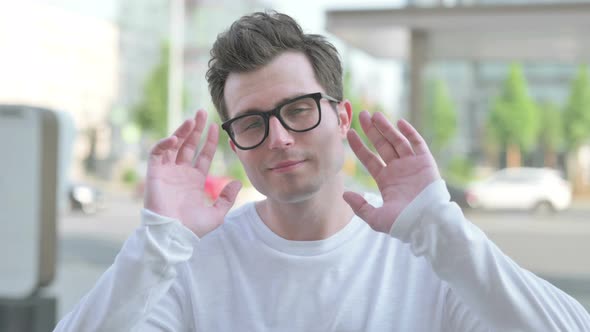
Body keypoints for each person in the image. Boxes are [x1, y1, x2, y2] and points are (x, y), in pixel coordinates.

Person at [54, 11, 590, 331]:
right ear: (235, 143)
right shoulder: (191, 261)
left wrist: (442, 229)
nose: (280, 137)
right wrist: (155, 246)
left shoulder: (429, 253)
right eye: (251, 122)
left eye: (298, 109)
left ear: (341, 115)